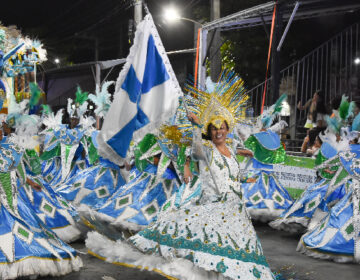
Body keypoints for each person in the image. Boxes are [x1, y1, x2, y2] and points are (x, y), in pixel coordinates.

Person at [86, 72, 275, 279]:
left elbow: (231, 175)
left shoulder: (230, 150)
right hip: (213, 208)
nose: (219, 132)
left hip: (236, 209)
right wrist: (196, 128)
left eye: (222, 128)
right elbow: (195, 151)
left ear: (228, 129)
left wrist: (245, 179)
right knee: (205, 245)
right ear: (209, 131)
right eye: (214, 129)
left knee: (239, 251)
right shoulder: (207, 150)